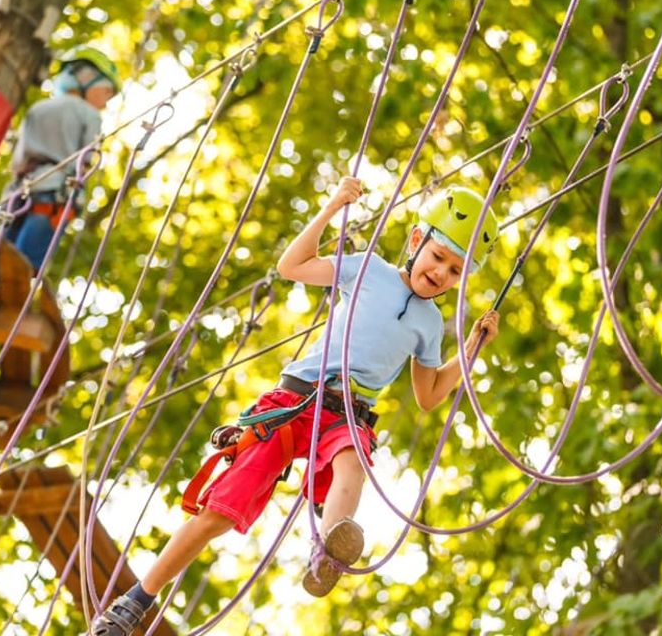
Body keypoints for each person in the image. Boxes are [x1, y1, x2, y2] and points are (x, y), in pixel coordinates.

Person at [91, 181, 502, 635]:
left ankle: (327, 551)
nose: (442, 273)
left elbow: (429, 395)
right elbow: (292, 266)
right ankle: (134, 602)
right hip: (297, 399)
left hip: (350, 413)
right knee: (220, 512)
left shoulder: (430, 324)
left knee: (353, 466)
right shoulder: (368, 269)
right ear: (415, 241)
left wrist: (472, 347)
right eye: (438, 256)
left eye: (456, 270)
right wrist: (332, 207)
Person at [5, 45, 119, 270]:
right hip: (53, 198)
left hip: (15, 197)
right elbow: (85, 162)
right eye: (107, 92)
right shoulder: (89, 114)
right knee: (22, 270)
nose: (106, 102)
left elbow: (17, 159)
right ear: (86, 79)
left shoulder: (38, 109)